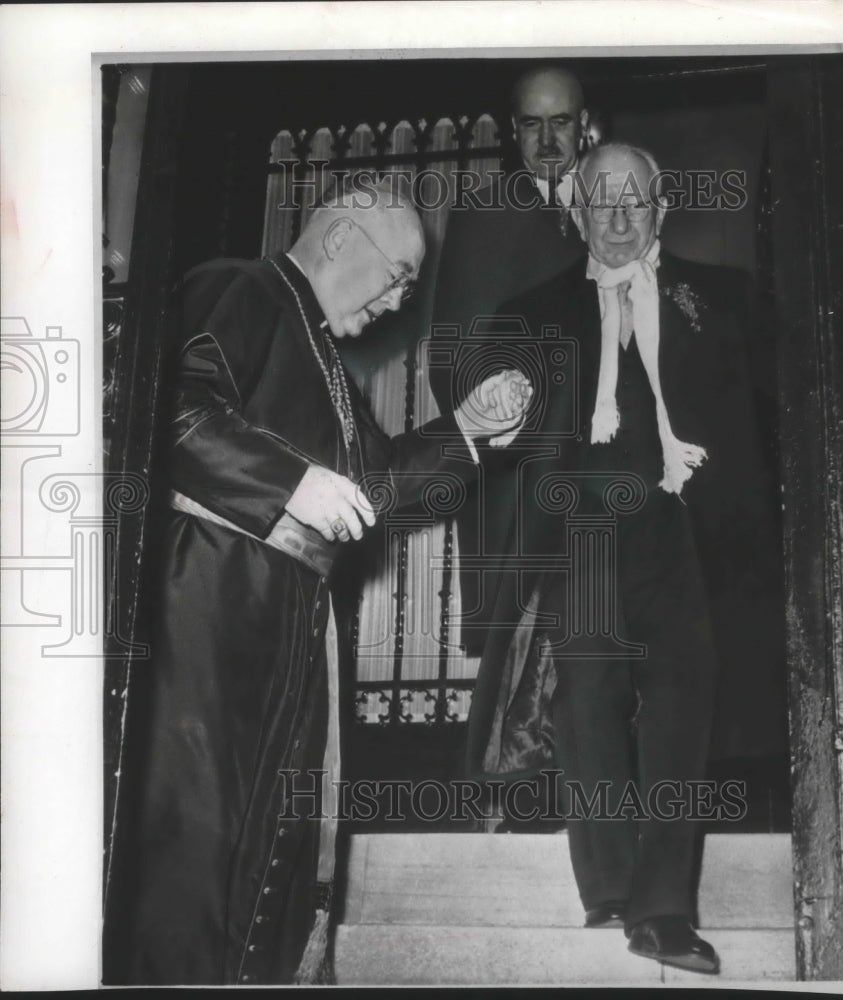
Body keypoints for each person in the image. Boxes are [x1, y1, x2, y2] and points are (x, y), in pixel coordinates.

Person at [114, 176, 529, 986]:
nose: (402, 302)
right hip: (206, 607)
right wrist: (289, 483)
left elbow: (373, 484)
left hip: (276, 626)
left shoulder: (321, 354)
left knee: (254, 847)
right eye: (399, 275)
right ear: (340, 238)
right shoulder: (238, 286)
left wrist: (469, 433)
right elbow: (167, 405)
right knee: (193, 850)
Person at [464, 142, 783, 975]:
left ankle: (664, 907)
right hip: (583, 532)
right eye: (599, 202)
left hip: (686, 534)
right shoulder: (528, 314)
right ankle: (607, 887)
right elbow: (488, 427)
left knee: (681, 710)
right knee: (588, 701)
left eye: (632, 202)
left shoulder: (722, 298)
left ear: (660, 210)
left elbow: (770, 425)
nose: (615, 217)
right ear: (574, 214)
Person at [430, 65, 591, 654]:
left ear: (585, 125)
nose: (547, 141)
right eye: (531, 125)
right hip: (522, 479)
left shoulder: (616, 204)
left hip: (609, 481)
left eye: (561, 122)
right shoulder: (486, 213)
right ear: (512, 132)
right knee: (522, 681)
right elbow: (454, 357)